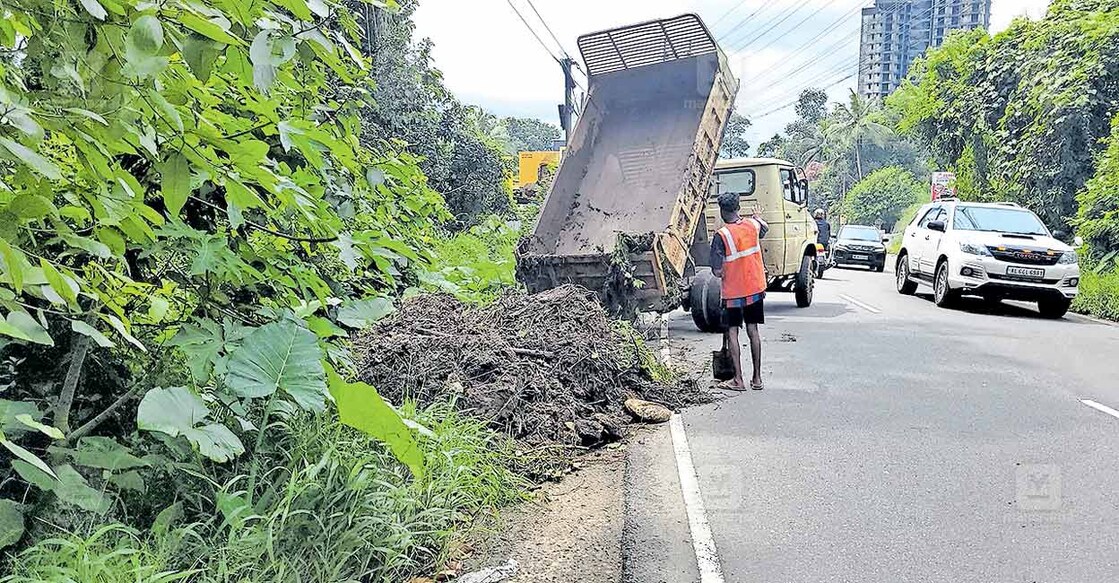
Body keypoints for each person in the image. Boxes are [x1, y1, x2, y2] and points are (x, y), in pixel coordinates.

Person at [710, 192, 768, 391]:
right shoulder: (752, 225)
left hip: (734, 293)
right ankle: (757, 379)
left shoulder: (722, 235)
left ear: (722, 212)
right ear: (738, 208)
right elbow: (764, 228)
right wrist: (757, 216)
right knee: (753, 331)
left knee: (732, 331)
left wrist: (727, 267)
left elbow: (717, 272)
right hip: (755, 288)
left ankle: (738, 380)